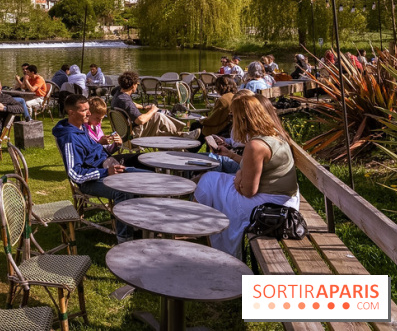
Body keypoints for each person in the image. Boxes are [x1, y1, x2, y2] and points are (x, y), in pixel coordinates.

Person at [194, 95, 299, 258]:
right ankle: (201, 228)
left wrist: (238, 176)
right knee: (211, 180)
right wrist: (230, 155)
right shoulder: (273, 135)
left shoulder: (256, 146)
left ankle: (197, 228)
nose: (232, 121)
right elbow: (253, 167)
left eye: (233, 117)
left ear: (242, 120)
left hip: (272, 205)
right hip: (283, 199)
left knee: (209, 182)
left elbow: (248, 191)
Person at [53, 94, 145, 243]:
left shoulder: (81, 128)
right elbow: (74, 174)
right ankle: (125, 239)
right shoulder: (69, 137)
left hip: (103, 169)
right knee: (124, 190)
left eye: (88, 109)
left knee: (147, 177)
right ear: (71, 112)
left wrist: (113, 149)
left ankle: (139, 226)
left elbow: (95, 151)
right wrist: (106, 172)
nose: (89, 113)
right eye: (84, 110)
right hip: (89, 181)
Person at [112, 71, 189, 138]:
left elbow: (130, 104)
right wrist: (152, 110)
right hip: (133, 134)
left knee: (161, 131)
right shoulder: (125, 100)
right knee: (158, 116)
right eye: (137, 84)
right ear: (133, 85)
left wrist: (143, 107)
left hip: (123, 133)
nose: (137, 86)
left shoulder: (118, 93)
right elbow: (140, 120)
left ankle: (181, 135)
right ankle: (181, 134)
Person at [188, 76, 237, 141]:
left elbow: (213, 120)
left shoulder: (222, 100)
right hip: (230, 126)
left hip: (222, 128)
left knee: (195, 126)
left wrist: (202, 120)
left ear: (220, 87)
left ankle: (192, 145)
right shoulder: (235, 96)